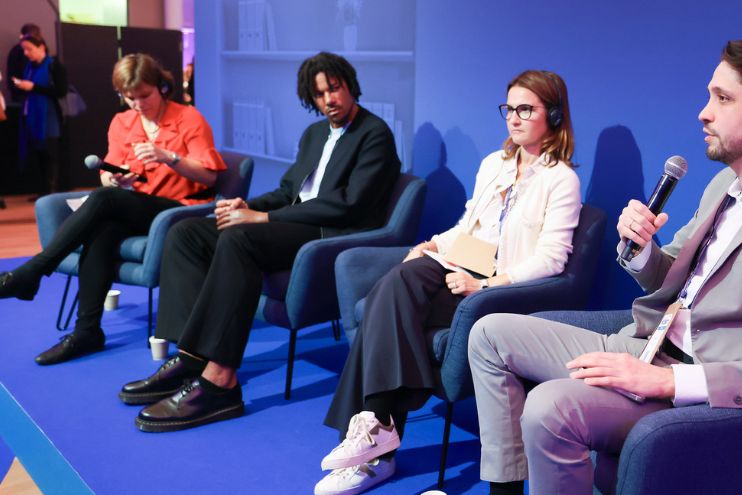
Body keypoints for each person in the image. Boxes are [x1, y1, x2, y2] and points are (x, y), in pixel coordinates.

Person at [468, 40, 742, 494]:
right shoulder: (723, 185)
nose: (704, 112)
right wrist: (641, 249)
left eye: (722, 98)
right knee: (488, 333)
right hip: (643, 344)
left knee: (549, 407)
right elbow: (671, 276)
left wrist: (666, 380)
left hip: (692, 384)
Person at [314, 70, 582, 495]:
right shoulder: (493, 164)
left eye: (525, 109)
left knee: (393, 296)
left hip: (500, 292)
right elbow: (468, 226)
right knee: (401, 277)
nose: (513, 118)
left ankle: (375, 445)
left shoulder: (560, 179)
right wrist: (431, 243)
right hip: (462, 267)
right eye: (508, 108)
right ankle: (375, 431)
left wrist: (491, 284)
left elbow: (553, 259)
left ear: (552, 113)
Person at [119, 52, 402, 434]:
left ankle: (220, 382)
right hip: (293, 223)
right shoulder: (315, 134)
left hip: (329, 234)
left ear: (350, 85)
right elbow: (289, 190)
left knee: (240, 238)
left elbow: (349, 205)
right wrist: (246, 205)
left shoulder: (375, 134)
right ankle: (191, 357)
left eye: (334, 89)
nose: (329, 100)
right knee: (187, 233)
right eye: (319, 94)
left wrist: (264, 218)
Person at [0, 53, 226, 364]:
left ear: (161, 87)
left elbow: (209, 175)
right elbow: (108, 174)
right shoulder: (122, 122)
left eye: (143, 95)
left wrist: (169, 157)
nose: (137, 104)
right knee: (103, 227)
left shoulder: (189, 118)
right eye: (128, 97)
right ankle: (87, 332)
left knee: (104, 202)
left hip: (178, 210)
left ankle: (32, 271)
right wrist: (114, 178)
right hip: (137, 205)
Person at [12, 34, 66, 195]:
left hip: (49, 118)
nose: (26, 53)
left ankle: (51, 192)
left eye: (29, 49)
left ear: (41, 47)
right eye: (24, 50)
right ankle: (43, 192)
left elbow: (61, 91)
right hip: (32, 118)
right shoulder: (29, 66)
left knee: (50, 157)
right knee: (39, 156)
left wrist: (33, 87)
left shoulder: (54, 65)